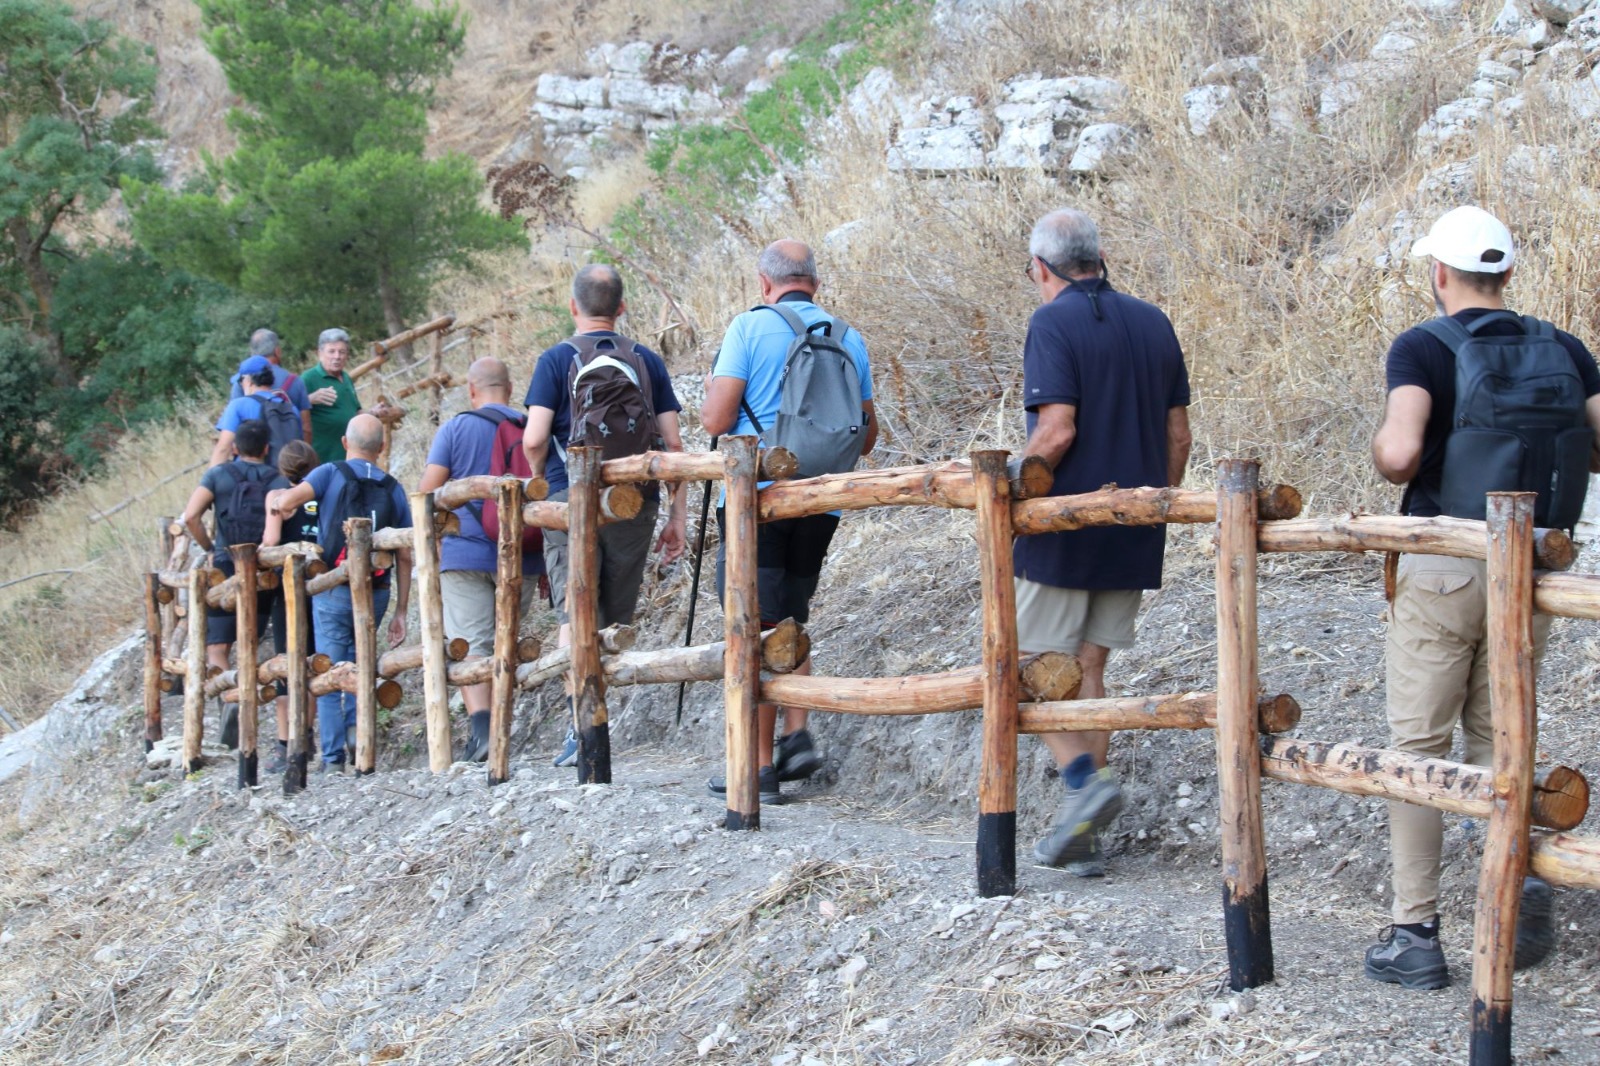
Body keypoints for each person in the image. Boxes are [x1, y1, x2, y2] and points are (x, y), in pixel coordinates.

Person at [1365, 205, 1600, 989]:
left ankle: (1415, 933)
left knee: (1418, 746)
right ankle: (1515, 889)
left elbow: (1399, 456)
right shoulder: (1563, 348)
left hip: (1446, 563)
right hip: (1535, 569)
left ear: (1439, 273)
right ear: (1508, 273)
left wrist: (1385, 441)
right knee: (1500, 738)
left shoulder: (1422, 346)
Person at [1014, 210, 1192, 876]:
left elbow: (1055, 431)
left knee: (1030, 667)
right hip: (1135, 526)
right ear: (1099, 256)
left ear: (1041, 268)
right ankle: (1085, 836)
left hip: (1064, 525)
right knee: (1091, 671)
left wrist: (1015, 488)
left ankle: (1085, 784)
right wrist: (1153, 511)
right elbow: (1180, 439)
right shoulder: (1153, 322)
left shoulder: (1050, 323)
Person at [699, 239, 877, 803]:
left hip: (760, 501)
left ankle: (757, 769)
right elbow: (867, 435)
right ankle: (795, 733)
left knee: (752, 624)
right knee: (791, 617)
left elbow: (718, 417)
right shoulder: (850, 338)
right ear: (815, 284)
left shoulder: (749, 329)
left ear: (764, 282)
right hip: (822, 501)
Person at [521, 263, 688, 766]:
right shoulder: (646, 360)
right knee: (614, 613)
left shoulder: (555, 359)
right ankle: (602, 718)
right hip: (634, 500)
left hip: (570, 499)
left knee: (576, 608)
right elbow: (675, 445)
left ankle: (581, 726)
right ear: (621, 308)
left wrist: (544, 479)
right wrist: (677, 517)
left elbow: (533, 438)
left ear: (573, 307)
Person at [419, 357, 547, 762]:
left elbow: (427, 491)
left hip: (465, 553)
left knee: (472, 643)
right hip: (524, 553)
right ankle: (499, 729)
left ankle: (481, 732)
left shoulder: (456, 428)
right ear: (510, 389)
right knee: (504, 640)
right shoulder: (532, 428)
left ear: (471, 390)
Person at [271, 413, 412, 772]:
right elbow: (406, 553)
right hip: (378, 588)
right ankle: (358, 735)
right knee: (362, 661)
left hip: (332, 586)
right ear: (382, 447)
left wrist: (277, 501)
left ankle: (332, 757)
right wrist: (401, 610)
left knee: (331, 670)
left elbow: (288, 503)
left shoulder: (328, 473)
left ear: (345, 443)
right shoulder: (393, 487)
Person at [180, 419, 283, 749]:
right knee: (250, 638)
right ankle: (245, 697)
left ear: (235, 447)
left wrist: (210, 547)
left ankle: (231, 700)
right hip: (262, 567)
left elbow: (191, 517)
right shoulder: (278, 479)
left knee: (217, 647)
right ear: (267, 448)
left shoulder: (217, 474)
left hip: (225, 564)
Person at [260, 439, 321, 775]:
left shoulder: (277, 498)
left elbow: (270, 541)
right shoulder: (320, 494)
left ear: (282, 469)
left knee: (287, 664)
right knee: (313, 662)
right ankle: (307, 733)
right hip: (321, 586)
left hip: (287, 591)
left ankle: (286, 742)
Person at [210, 356, 300, 468]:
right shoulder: (292, 409)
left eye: (240, 381)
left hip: (250, 479)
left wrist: (209, 482)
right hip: (284, 479)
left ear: (248, 381)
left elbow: (223, 448)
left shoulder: (238, 405)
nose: (241, 385)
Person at [229, 329, 312, 440]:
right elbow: (306, 428)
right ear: (277, 351)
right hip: (289, 453)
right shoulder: (295, 381)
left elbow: (233, 428)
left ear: (252, 353)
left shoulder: (242, 382)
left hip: (254, 451)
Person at [301, 328, 363, 463]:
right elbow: (290, 407)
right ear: (319, 353)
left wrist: (373, 414)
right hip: (323, 458)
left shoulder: (346, 378)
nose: (337, 356)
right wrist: (310, 399)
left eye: (342, 352)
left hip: (348, 455)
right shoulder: (308, 378)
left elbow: (355, 409)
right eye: (331, 351)